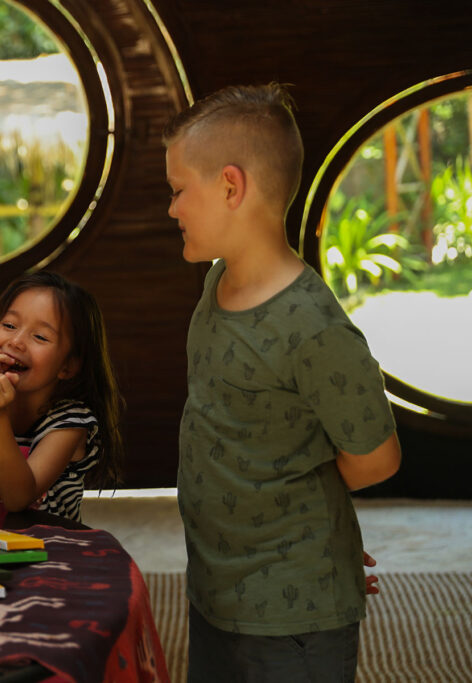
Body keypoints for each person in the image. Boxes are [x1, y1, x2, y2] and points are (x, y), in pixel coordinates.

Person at [163, 82, 402, 682]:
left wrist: (308, 521)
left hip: (294, 609)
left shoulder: (315, 329)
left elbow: (377, 458)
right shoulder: (214, 281)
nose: (171, 209)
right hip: (217, 586)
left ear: (230, 186)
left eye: (178, 191)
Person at [0, 271, 123, 526]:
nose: (16, 342)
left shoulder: (71, 421)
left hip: (54, 549)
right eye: (9, 325)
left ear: (67, 367)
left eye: (40, 336)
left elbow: (17, 499)